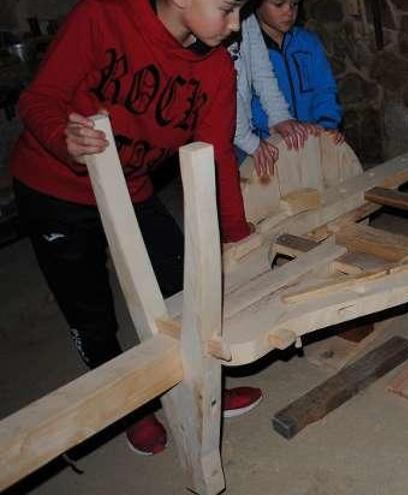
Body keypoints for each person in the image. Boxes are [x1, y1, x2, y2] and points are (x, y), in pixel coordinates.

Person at [11, 0, 263, 456]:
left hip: (131, 186)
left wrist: (237, 237)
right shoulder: (103, 16)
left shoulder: (216, 69)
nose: (235, 25)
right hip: (55, 188)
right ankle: (128, 409)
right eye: (227, 9)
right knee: (91, 314)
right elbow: (37, 98)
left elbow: (218, 158)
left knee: (186, 285)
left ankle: (200, 390)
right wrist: (62, 140)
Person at [244, 0, 343, 148]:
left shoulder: (308, 43)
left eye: (294, 4)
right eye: (278, 5)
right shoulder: (245, 51)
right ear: (257, 5)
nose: (289, 11)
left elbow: (325, 89)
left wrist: (326, 124)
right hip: (268, 145)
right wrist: (285, 126)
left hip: (314, 137)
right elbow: (246, 102)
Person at [228, 10, 306, 178]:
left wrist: (279, 115)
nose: (234, 24)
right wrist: (247, 140)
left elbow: (261, 70)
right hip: (218, 133)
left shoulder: (247, 18)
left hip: (240, 128)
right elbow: (224, 92)